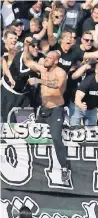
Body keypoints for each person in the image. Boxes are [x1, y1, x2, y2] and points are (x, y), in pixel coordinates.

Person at [23, 37, 70, 182]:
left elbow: (57, 85)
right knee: (31, 134)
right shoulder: (43, 69)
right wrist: (26, 45)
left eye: (49, 58)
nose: (46, 59)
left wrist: (39, 80)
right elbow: (27, 61)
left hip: (56, 109)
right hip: (43, 110)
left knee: (56, 137)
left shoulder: (60, 72)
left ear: (55, 61)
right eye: (46, 57)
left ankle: (64, 167)